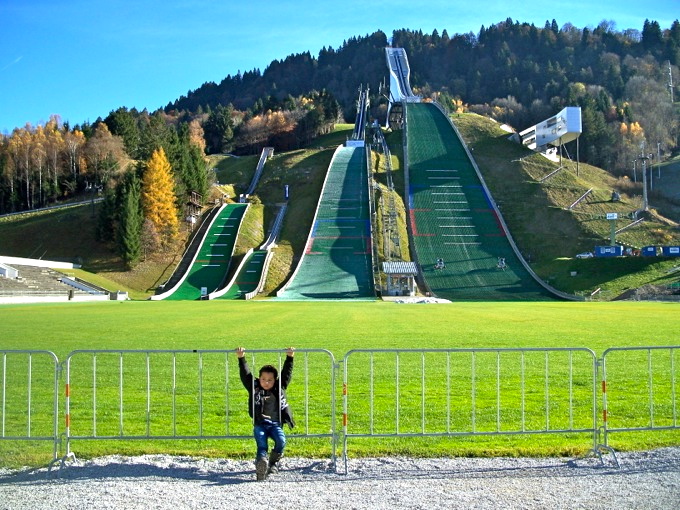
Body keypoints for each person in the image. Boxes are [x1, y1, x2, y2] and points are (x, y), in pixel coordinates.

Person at [236, 346, 295, 481]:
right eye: (263, 379)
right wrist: (241, 358)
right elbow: (246, 375)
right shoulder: (254, 387)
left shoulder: (278, 388)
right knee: (262, 444)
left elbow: (286, 374)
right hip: (260, 424)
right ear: (259, 378)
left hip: (275, 424)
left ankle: (273, 463)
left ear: (275, 380)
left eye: (270, 380)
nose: (266, 382)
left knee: (281, 441)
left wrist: (290, 357)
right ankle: (261, 465)